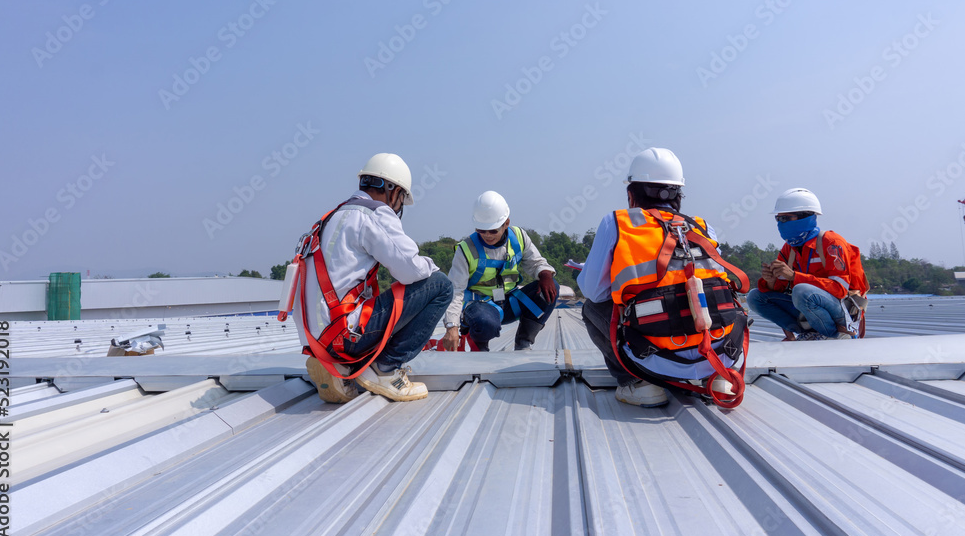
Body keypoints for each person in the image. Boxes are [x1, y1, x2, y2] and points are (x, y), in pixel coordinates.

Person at [577, 148, 747, 408]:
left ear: (631, 194)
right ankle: (715, 378)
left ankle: (639, 385)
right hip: (722, 354)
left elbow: (594, 291)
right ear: (679, 195)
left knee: (591, 308)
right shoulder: (702, 226)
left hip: (656, 358)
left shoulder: (617, 222)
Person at [292, 153, 453, 403]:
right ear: (392, 189)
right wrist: (432, 266)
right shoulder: (373, 214)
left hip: (316, 339)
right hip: (344, 335)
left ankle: (342, 369)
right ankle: (386, 369)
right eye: (400, 198)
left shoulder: (330, 217)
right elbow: (410, 270)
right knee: (441, 285)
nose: (398, 206)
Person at [441, 191, 559, 352]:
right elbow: (456, 290)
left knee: (551, 288)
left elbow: (536, 263)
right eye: (481, 230)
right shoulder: (466, 249)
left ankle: (524, 342)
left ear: (506, 223)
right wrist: (451, 326)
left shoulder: (518, 237)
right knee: (485, 322)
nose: (487, 236)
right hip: (480, 307)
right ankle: (481, 347)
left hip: (510, 302)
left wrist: (545, 273)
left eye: (493, 230)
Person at [747, 188, 867, 341]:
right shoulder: (789, 248)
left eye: (785, 219)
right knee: (755, 297)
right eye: (778, 219)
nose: (780, 224)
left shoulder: (831, 243)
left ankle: (834, 335)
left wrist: (795, 277)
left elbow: (840, 290)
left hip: (842, 311)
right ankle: (806, 333)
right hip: (809, 309)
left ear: (805, 217)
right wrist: (771, 281)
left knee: (802, 290)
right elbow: (780, 289)